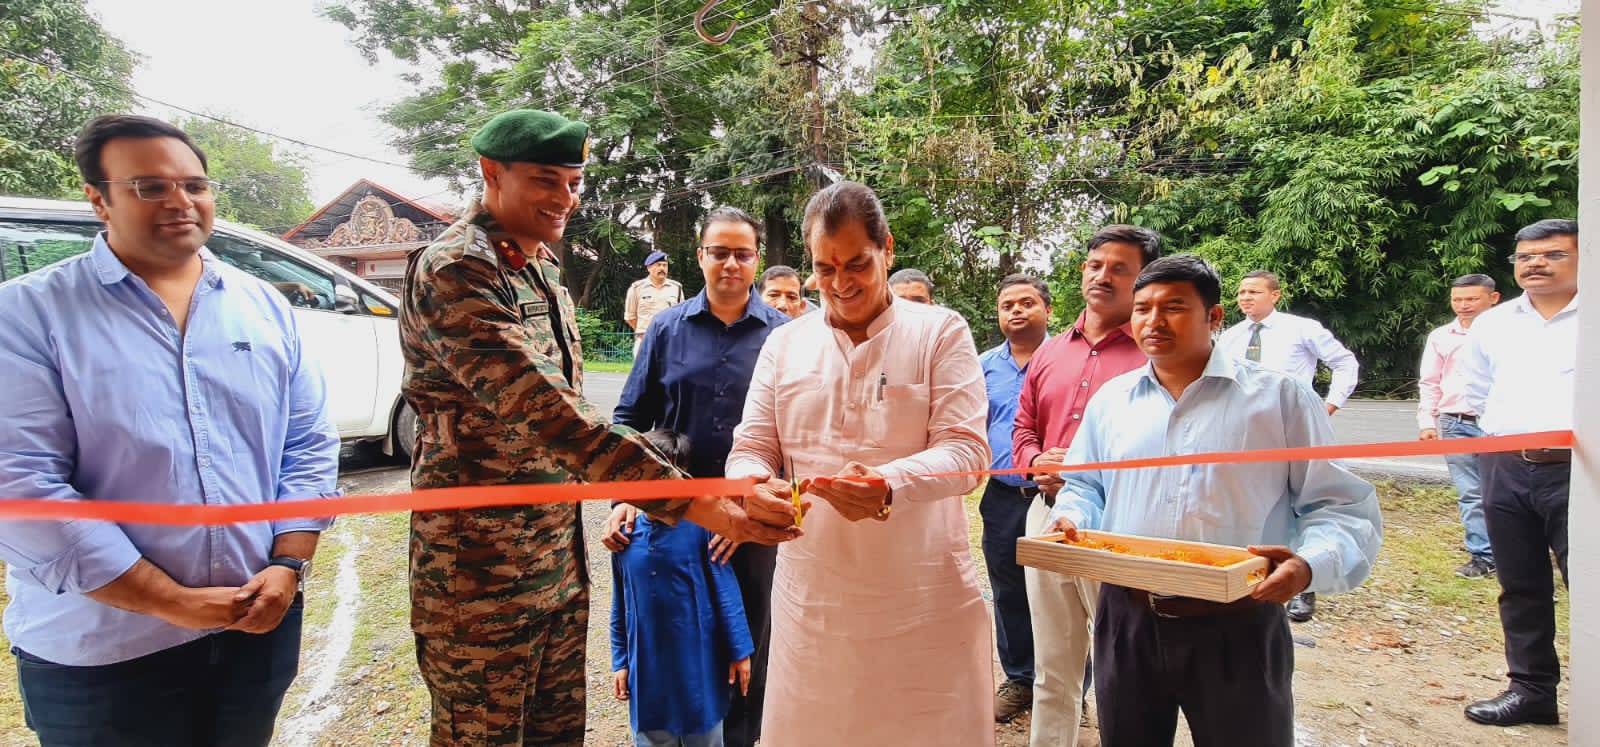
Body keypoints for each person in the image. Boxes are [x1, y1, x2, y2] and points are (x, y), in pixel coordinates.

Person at [399, 109, 799, 746]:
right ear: (490, 173)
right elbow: (555, 415)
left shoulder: (542, 270)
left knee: (558, 735)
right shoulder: (456, 269)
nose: (564, 198)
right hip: (476, 569)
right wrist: (701, 505)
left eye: (574, 182)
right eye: (545, 180)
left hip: (554, 558)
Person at [0, 114, 340, 746]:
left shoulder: (263, 306)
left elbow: (308, 445)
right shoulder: (26, 316)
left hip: (252, 634)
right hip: (105, 652)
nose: (181, 202)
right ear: (98, 200)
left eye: (195, 185)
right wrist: (173, 602)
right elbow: (21, 487)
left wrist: (290, 564)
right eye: (149, 187)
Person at [1048, 254, 1383, 747]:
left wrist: (1309, 565)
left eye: (1174, 307)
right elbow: (1086, 486)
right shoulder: (1112, 401)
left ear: (1216, 317)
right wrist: (1071, 518)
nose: (1153, 322)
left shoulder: (1280, 400)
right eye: (1142, 309)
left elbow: (1339, 505)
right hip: (1128, 616)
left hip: (1238, 618)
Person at [725, 181, 995, 745]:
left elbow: (969, 452)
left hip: (921, 595)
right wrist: (750, 487)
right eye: (824, 269)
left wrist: (891, 483)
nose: (841, 284)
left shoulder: (940, 332)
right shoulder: (785, 345)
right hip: (814, 596)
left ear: (887, 250)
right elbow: (751, 446)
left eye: (857, 264)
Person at [607, 207, 792, 747]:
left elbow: (798, 435)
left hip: (750, 521)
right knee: (679, 642)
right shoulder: (666, 328)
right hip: (671, 519)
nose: (731, 264)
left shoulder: (786, 336)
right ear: (700, 256)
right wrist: (629, 498)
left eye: (742, 253)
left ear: (757, 260)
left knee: (749, 642)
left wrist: (756, 510)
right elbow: (628, 420)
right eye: (720, 252)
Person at [1013, 224, 1158, 745]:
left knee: (1125, 663)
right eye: (1096, 265)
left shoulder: (1155, 355)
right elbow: (1022, 426)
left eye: (1121, 269)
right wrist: (1034, 461)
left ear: (1144, 281)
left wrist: (1089, 470)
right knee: (1053, 665)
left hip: (1119, 524)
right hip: (1049, 518)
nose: (1103, 277)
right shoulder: (1050, 352)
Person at [1459, 219, 1579, 728]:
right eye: (1526, 256)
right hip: (1506, 466)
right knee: (1520, 582)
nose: (1536, 263)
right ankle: (1531, 689)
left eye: (1552, 254)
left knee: (1590, 583)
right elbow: (1479, 391)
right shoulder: (1495, 322)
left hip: (1581, 472)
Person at [1217, 268, 1360, 622]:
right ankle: (1246, 573)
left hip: (1293, 431)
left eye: (1254, 292)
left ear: (1275, 295)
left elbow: (1344, 363)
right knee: (1253, 504)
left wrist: (1329, 405)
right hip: (1243, 435)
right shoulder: (1231, 337)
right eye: (1242, 292)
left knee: (1300, 506)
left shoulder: (1301, 329)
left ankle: (1304, 584)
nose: (1246, 298)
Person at [612, 429, 755, 747]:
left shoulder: (703, 530)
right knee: (652, 735)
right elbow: (620, 605)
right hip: (648, 673)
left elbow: (726, 592)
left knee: (703, 733)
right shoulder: (623, 537)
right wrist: (621, 661)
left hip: (699, 669)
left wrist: (739, 651)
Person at [979, 273, 1052, 722]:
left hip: (1058, 498)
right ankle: (1021, 679)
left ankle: (1065, 686)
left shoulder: (1069, 360)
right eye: (1008, 305)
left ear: (1046, 308)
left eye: (1027, 302)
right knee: (1008, 590)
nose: (1017, 311)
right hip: (1003, 494)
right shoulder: (982, 365)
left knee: (1060, 594)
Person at [1417, 273, 1501, 579]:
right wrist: (1428, 420)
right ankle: (1483, 556)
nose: (1463, 306)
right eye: (1457, 299)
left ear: (1493, 299)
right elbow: (1430, 381)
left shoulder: (1508, 333)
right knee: (1471, 493)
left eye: (1471, 299)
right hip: (1457, 422)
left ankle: (1520, 552)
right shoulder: (1442, 337)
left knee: (1508, 492)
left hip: (1499, 425)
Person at [626, 249, 685, 355]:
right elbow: (630, 317)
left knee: (670, 371)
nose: (662, 268)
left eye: (665, 265)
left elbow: (681, 316)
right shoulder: (637, 288)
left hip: (670, 342)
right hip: (645, 341)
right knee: (644, 372)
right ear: (649, 268)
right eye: (658, 265)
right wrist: (647, 332)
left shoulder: (677, 288)